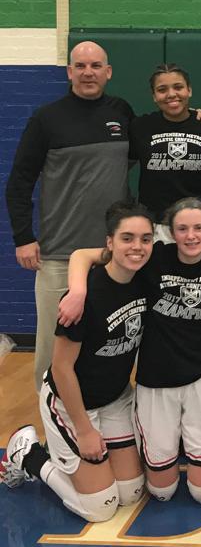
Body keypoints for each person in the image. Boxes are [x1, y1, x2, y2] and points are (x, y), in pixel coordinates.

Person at [61, 197, 201, 505]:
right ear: (170, 232)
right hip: (156, 381)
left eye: (198, 228)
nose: (191, 236)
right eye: (182, 228)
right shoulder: (152, 258)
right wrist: (78, 289)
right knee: (161, 492)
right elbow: (83, 255)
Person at [1, 202, 154, 523]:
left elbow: (82, 254)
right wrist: (84, 431)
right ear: (109, 243)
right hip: (71, 402)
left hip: (114, 398)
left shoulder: (144, 277)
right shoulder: (84, 297)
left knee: (131, 493)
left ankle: (88, 467)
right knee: (100, 508)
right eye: (127, 238)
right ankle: (29, 454)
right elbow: (60, 369)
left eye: (145, 238)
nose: (137, 247)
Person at [5, 40, 133, 389]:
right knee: (52, 350)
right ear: (69, 72)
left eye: (95, 66)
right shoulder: (47, 118)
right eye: (80, 66)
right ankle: (51, 436)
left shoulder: (122, 112)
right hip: (60, 254)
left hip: (112, 258)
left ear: (108, 72)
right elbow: (18, 183)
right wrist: (24, 238)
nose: (88, 72)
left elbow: (152, 160)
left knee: (110, 344)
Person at [129, 64, 201, 240]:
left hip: (198, 224)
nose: (171, 94)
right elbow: (121, 166)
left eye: (178, 87)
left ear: (189, 90)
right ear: (154, 96)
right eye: (162, 89)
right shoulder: (140, 127)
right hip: (155, 225)